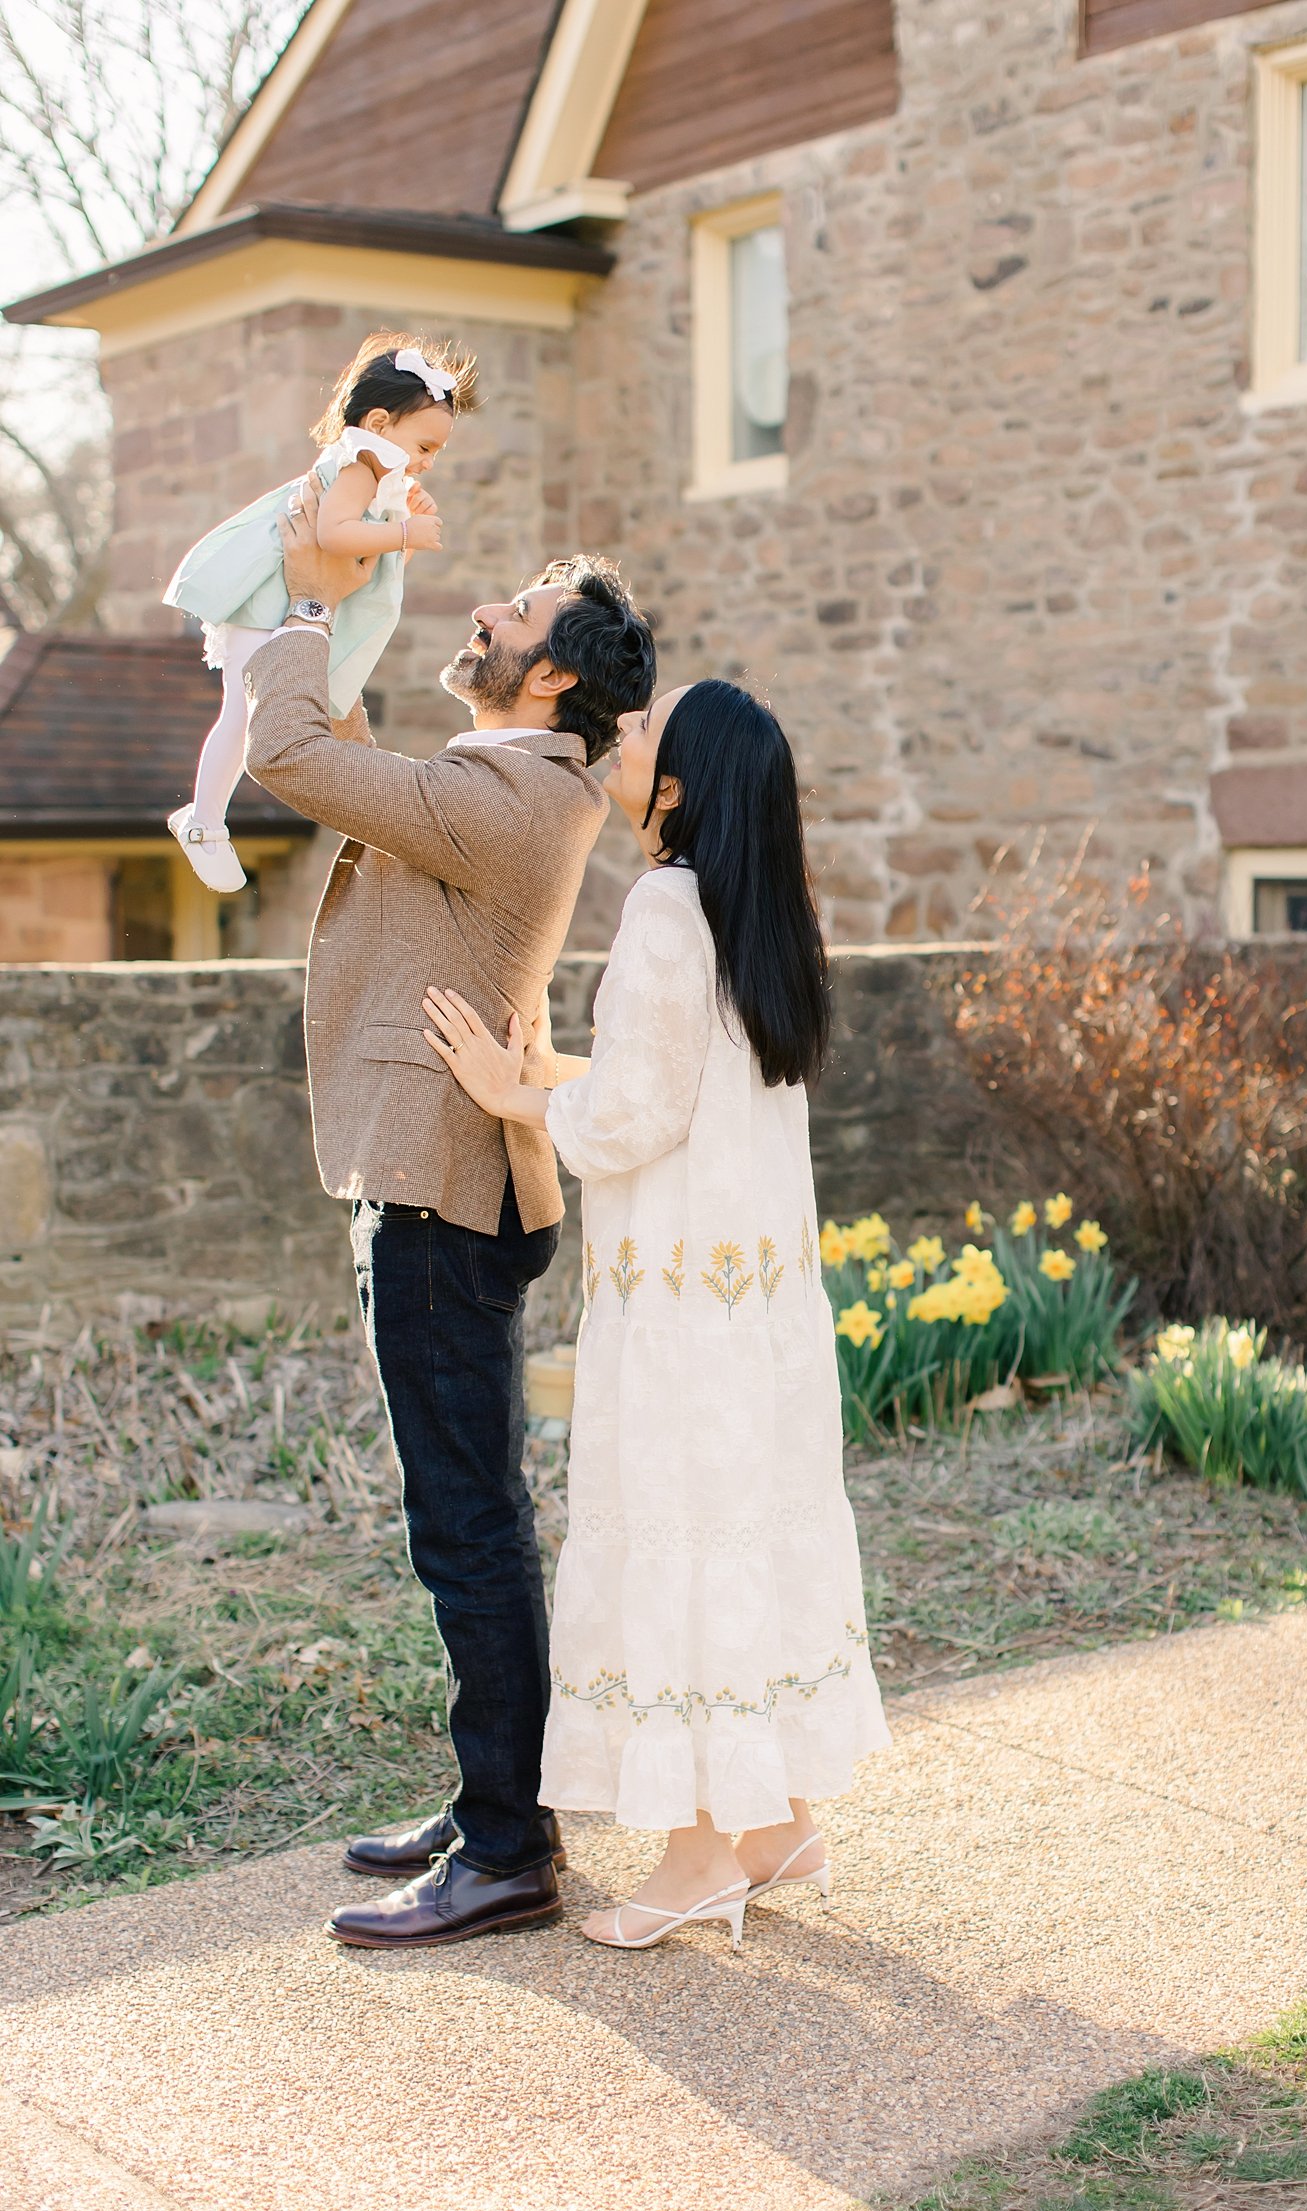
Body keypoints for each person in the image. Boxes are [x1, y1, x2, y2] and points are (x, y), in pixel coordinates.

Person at [238, 495, 656, 1949]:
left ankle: (503, 1851)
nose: (487, 612)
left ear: (553, 676)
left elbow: (293, 755)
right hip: (452, 1181)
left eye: (518, 611)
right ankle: (505, 1799)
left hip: (441, 1195)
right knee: (477, 1520)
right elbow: (352, 760)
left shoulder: (510, 799)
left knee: (467, 1525)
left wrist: (302, 601)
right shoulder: (511, 776)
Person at [419, 680, 890, 1952]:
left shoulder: (667, 905)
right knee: (746, 1539)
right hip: (764, 1314)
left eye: (639, 735)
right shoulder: (764, 913)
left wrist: (508, 1096)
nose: (620, 735)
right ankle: (781, 1820)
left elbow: (631, 1121)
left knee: (687, 1547)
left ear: (673, 790)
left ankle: (698, 1857)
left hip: (686, 1314)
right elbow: (678, 1084)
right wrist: (549, 1072)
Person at [162, 330, 476, 893]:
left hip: (276, 606)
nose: (429, 462)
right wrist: (405, 530)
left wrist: (397, 515)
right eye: (426, 447)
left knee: (246, 713)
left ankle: (206, 817)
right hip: (268, 605)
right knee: (244, 716)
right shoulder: (360, 465)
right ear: (379, 425)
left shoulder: (373, 472)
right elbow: (333, 536)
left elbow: (354, 546)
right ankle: (204, 820)